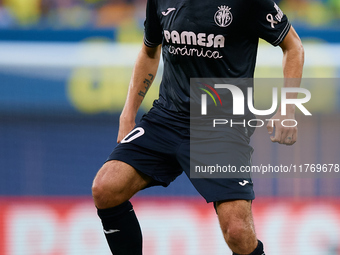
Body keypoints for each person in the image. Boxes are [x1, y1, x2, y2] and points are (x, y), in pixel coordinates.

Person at [92, 0, 304, 254]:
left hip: (221, 126)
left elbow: (293, 47)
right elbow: (149, 51)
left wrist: (287, 108)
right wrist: (128, 114)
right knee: (105, 188)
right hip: (168, 117)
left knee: (237, 232)